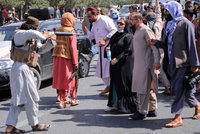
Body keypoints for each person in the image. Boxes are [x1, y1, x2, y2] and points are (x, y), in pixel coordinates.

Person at [150, 1, 200, 127]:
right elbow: (166, 44)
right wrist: (155, 42)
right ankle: (198, 106)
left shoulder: (186, 24)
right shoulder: (168, 24)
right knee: (187, 91)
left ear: (173, 10)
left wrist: (195, 64)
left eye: (167, 10)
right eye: (164, 10)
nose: (165, 12)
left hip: (184, 63)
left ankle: (178, 118)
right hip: (171, 63)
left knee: (178, 89)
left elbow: (191, 45)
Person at [5, 16, 51, 133]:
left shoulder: (31, 38)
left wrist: (51, 41)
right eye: (36, 27)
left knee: (32, 98)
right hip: (19, 68)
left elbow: (40, 50)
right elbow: (33, 33)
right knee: (18, 99)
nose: (37, 30)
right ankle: (10, 127)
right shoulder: (20, 34)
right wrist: (44, 35)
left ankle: (34, 124)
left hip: (27, 69)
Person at [129, 12, 160, 120]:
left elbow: (154, 47)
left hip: (146, 64)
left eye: (131, 19)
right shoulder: (137, 30)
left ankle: (142, 112)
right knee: (146, 87)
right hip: (139, 63)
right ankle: (152, 109)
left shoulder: (145, 30)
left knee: (143, 88)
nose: (130, 21)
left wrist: (157, 61)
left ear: (138, 20)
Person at [104, 18, 137, 113]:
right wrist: (108, 50)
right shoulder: (115, 35)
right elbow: (109, 45)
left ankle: (127, 107)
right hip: (114, 65)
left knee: (124, 84)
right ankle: (114, 104)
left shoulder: (129, 36)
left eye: (121, 24)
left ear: (125, 25)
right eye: (117, 23)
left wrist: (118, 59)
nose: (118, 25)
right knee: (114, 83)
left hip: (124, 65)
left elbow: (128, 51)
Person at [82, 7, 117, 96]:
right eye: (88, 17)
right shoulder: (94, 23)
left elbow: (114, 30)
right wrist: (84, 28)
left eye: (90, 16)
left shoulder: (105, 20)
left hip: (109, 49)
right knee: (101, 71)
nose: (89, 18)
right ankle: (109, 86)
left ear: (95, 14)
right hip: (100, 50)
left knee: (107, 70)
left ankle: (112, 88)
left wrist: (104, 40)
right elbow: (92, 36)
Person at [52, 12, 79, 109]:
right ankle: (71, 99)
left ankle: (62, 98)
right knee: (70, 78)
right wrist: (75, 62)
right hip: (67, 57)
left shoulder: (58, 30)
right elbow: (73, 48)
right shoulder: (71, 31)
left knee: (61, 78)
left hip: (57, 56)